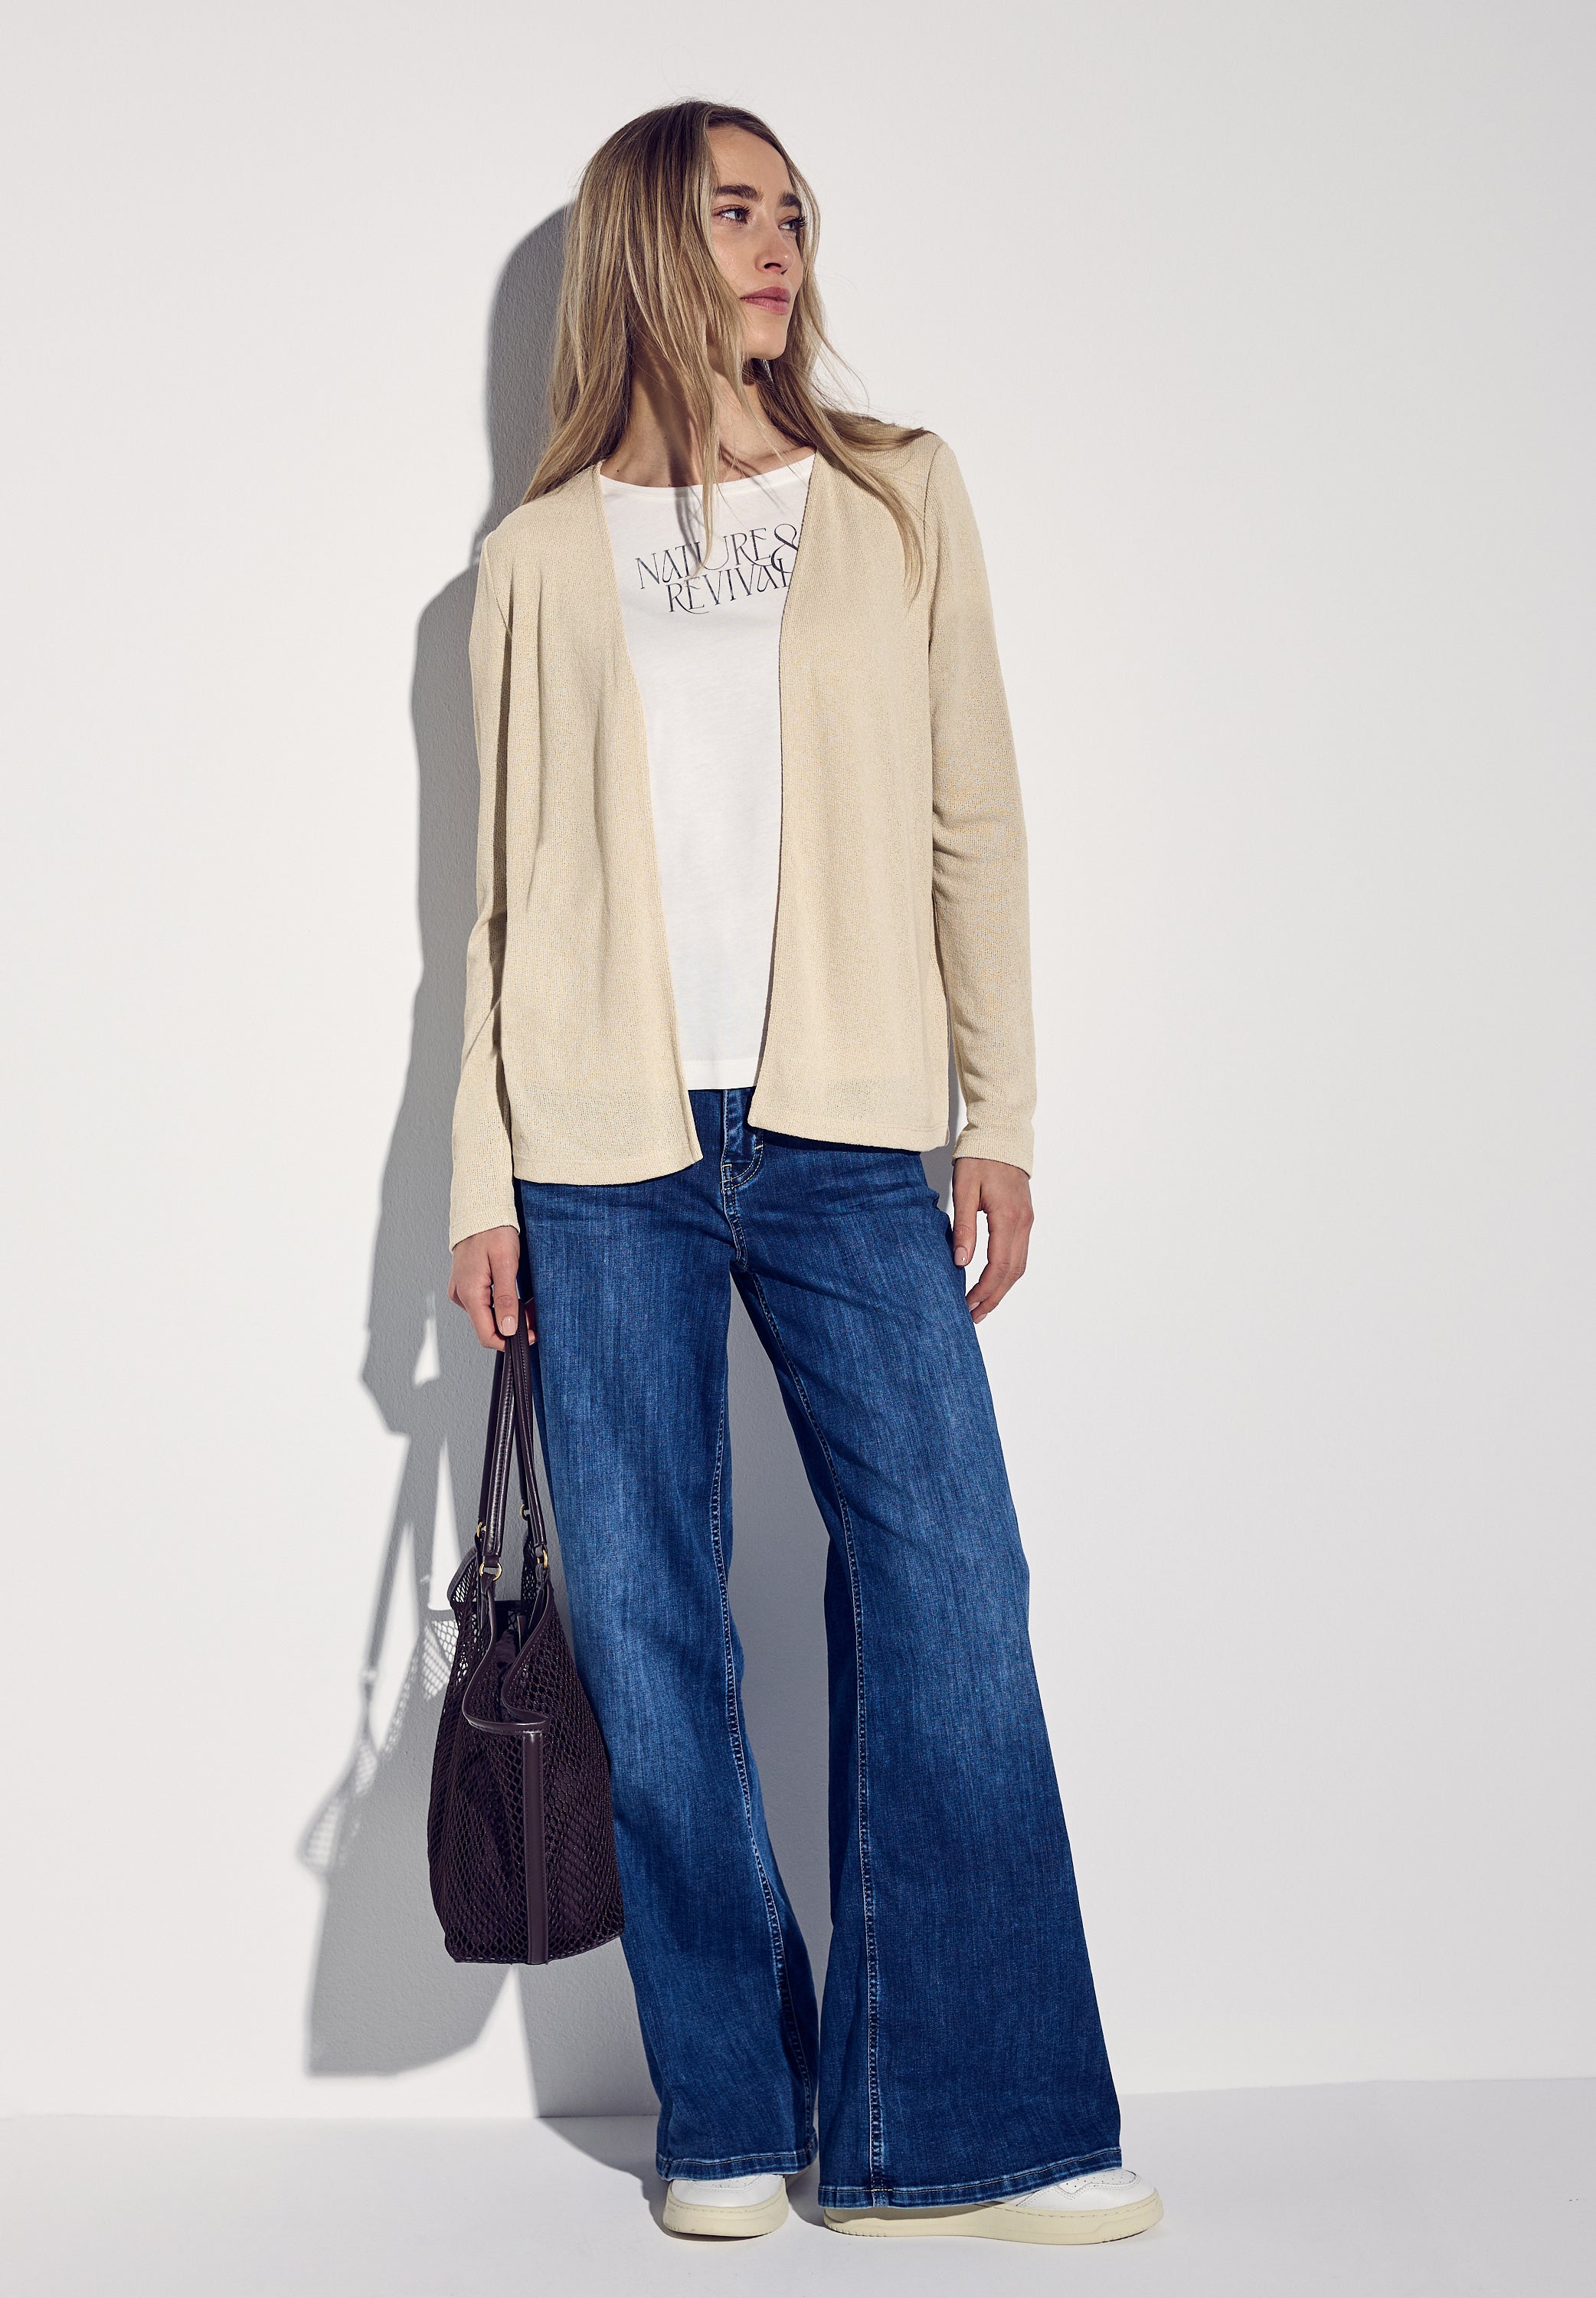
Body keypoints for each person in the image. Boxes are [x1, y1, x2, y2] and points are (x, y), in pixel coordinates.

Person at [446, 99, 1161, 2247]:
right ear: (644, 250)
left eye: (788, 211)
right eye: (730, 211)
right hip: (604, 1144)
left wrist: (997, 1109)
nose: (775, 243)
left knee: (952, 1582)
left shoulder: (894, 494)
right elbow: (499, 904)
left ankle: (977, 2121)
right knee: (651, 1623)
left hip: (848, 1130)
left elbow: (974, 818)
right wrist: (480, 1178)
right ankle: (732, 2109)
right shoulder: (534, 558)